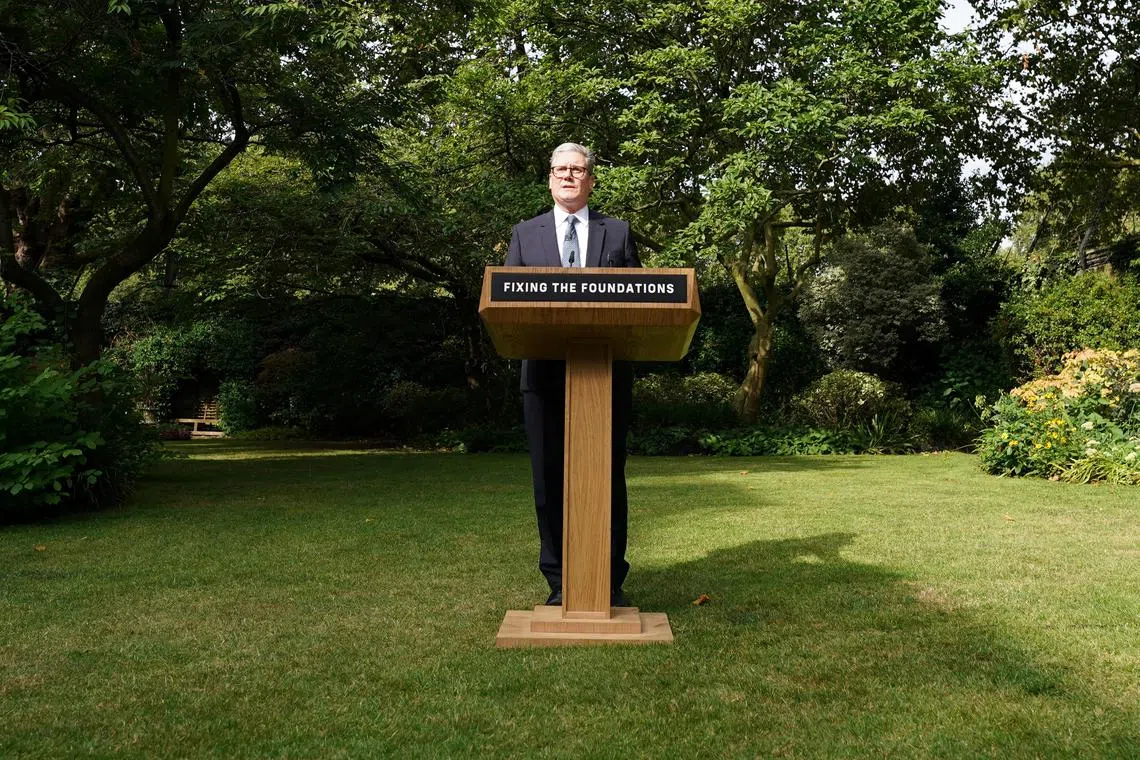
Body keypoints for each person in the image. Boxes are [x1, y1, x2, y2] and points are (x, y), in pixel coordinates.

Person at [505, 142, 641, 607]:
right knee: (548, 481)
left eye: (577, 170)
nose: (568, 176)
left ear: (591, 180)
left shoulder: (618, 234)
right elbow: (507, 306)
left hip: (605, 378)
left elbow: (642, 305)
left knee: (607, 478)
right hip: (542, 379)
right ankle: (560, 581)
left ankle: (609, 579)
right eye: (560, 169)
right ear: (549, 178)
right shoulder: (525, 234)